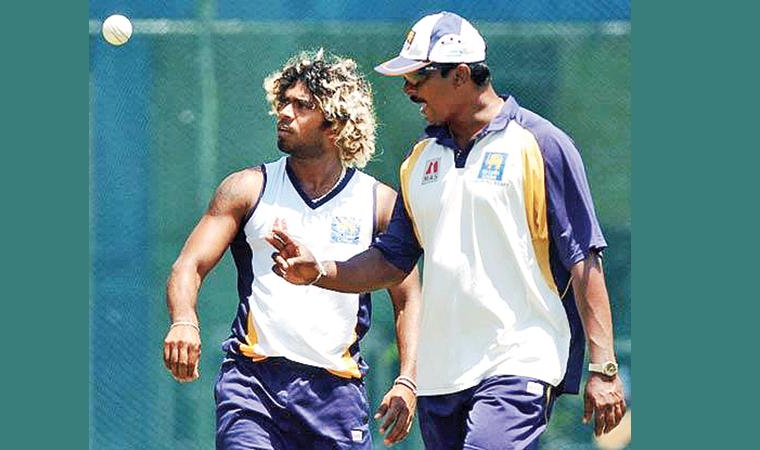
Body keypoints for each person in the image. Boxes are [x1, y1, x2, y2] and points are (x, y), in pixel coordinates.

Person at [267, 12, 627, 449]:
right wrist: (321, 269)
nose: (407, 88)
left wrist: (603, 367)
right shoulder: (419, 161)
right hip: (442, 375)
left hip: (520, 361)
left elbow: (583, 257)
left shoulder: (541, 144)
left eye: (418, 75)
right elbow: (390, 260)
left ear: (460, 75)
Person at [162, 49, 422, 449]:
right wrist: (184, 321)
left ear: (334, 124)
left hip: (336, 396)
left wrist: (407, 378)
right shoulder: (247, 188)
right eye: (283, 101)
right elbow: (189, 265)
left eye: (302, 106)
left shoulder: (379, 204)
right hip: (252, 385)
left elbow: (408, 298)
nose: (284, 112)